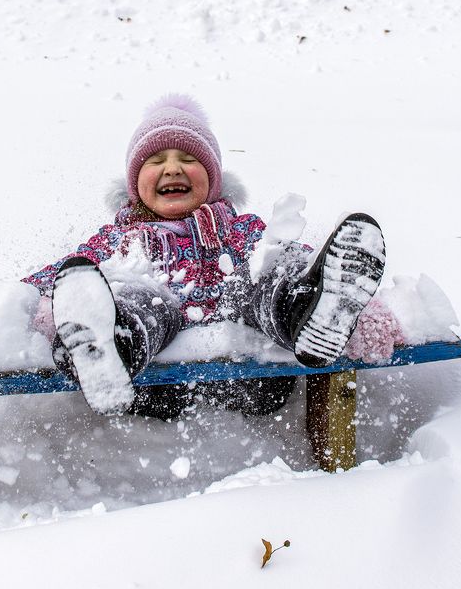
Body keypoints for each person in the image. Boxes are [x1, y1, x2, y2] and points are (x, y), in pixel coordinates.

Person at [22, 94, 396, 420]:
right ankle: (109, 346)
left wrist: (358, 308)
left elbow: (304, 258)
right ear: (134, 184)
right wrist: (43, 307)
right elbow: (62, 280)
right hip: (152, 384)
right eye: (155, 161)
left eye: (189, 158)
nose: (172, 168)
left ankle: (312, 309)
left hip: (254, 379)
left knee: (273, 267)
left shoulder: (239, 228)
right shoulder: (119, 237)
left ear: (213, 179)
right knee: (139, 296)